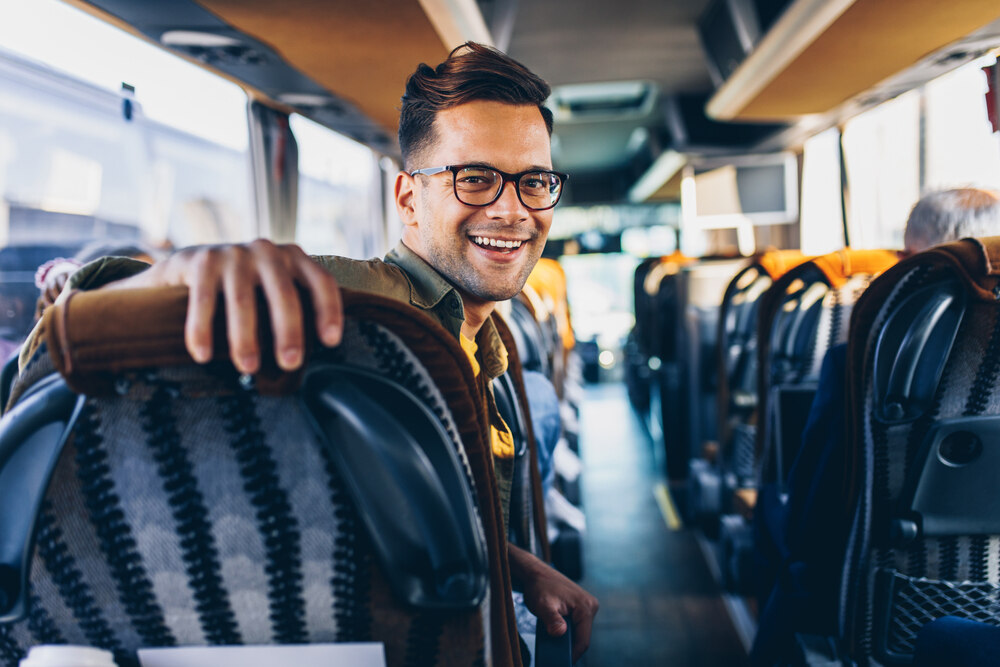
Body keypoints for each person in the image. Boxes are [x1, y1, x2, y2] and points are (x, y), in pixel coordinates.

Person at [28, 42, 598, 663]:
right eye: (476, 178)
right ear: (407, 199)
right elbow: (79, 325)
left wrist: (512, 564)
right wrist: (165, 276)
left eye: (534, 181)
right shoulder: (346, 305)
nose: (512, 209)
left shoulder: (490, 344)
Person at [751, 186, 1000, 664]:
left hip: (887, 612)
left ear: (913, 263)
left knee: (781, 527)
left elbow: (813, 509)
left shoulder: (863, 363)